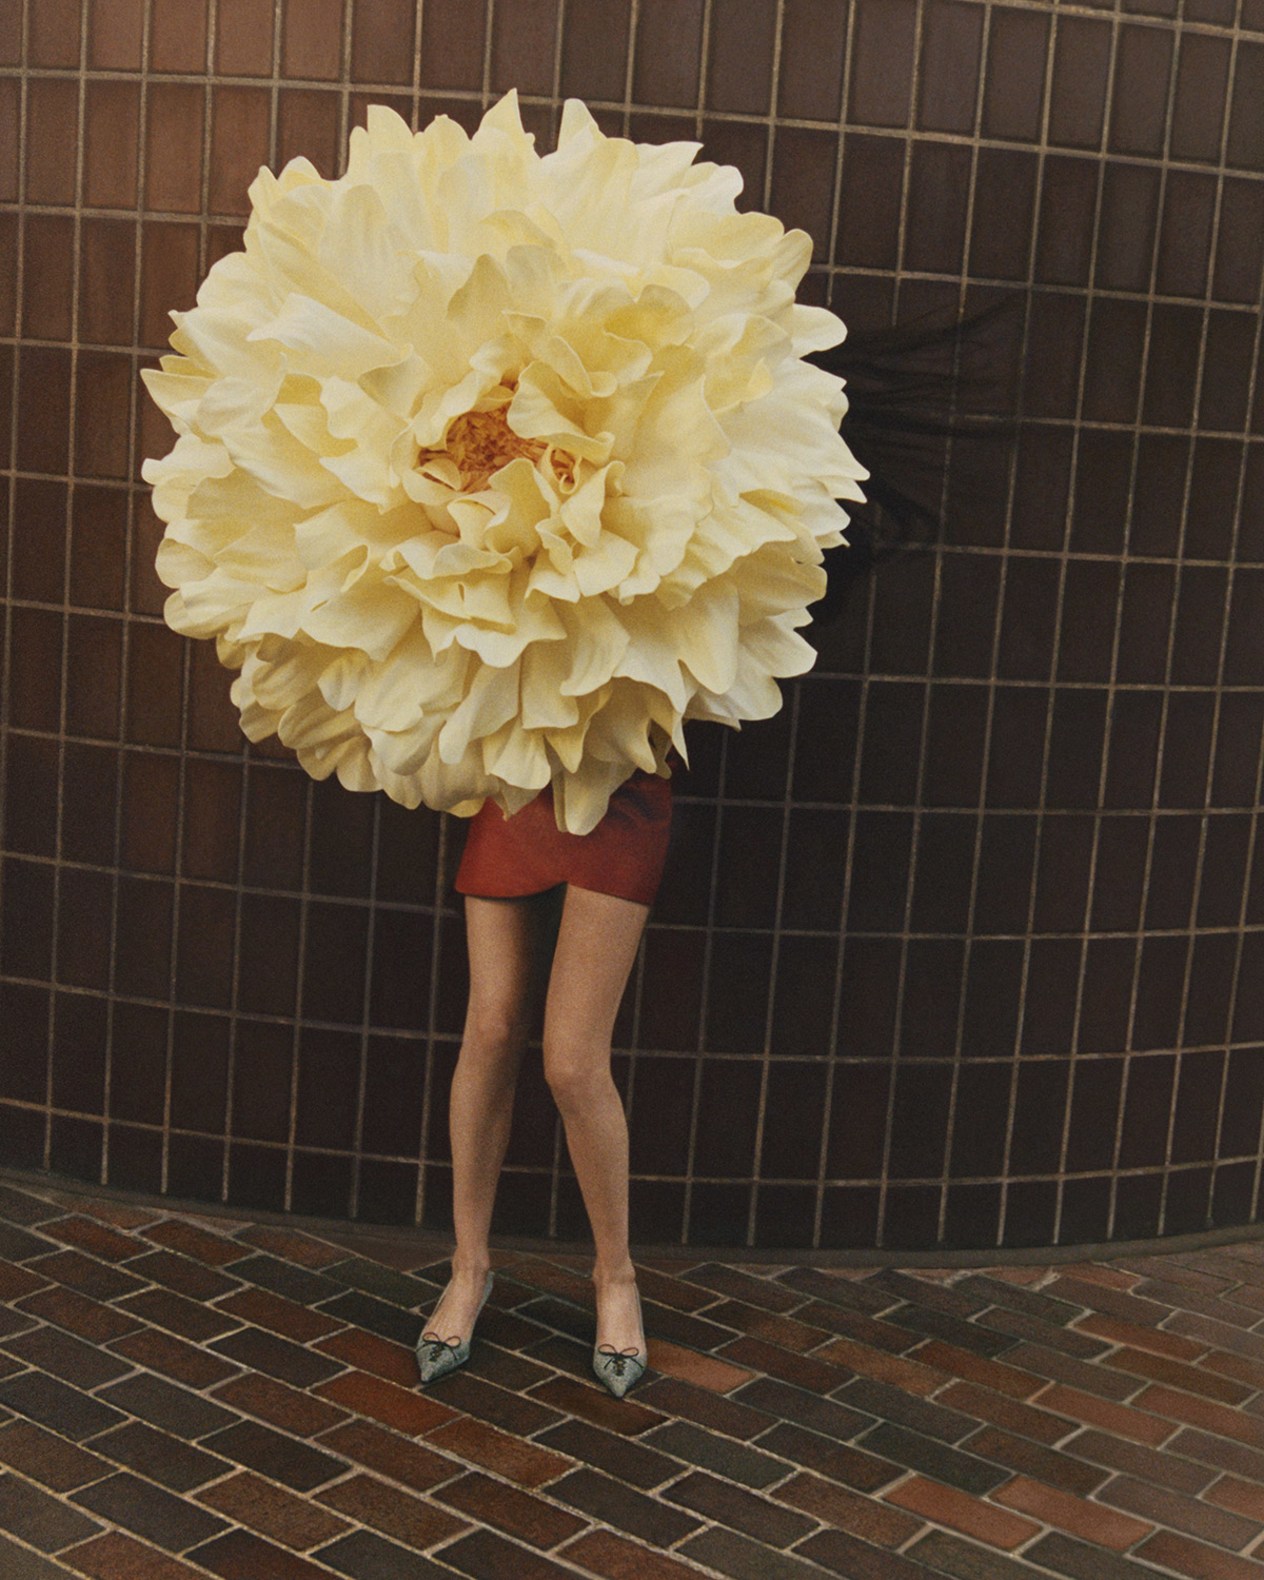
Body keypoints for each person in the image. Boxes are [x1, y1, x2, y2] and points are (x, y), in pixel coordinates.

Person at [414, 764, 673, 1400]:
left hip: (621, 788)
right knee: (492, 1031)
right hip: (516, 782)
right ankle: (468, 1266)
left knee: (573, 1061)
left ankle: (616, 1277)